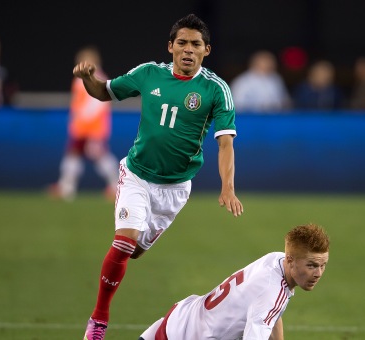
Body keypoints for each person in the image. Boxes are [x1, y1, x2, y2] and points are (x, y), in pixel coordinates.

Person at [74, 13, 244, 340]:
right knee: (124, 242)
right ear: (171, 46)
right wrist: (87, 79)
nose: (188, 50)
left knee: (133, 250)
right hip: (137, 174)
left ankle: (126, 254)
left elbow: (225, 143)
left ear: (207, 50)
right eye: (182, 43)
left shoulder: (215, 90)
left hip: (176, 189)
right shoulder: (148, 74)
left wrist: (228, 187)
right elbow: (103, 92)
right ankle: (98, 322)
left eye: (196, 44)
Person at [139, 223, 330, 340]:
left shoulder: (276, 259)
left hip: (179, 317)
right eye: (312, 265)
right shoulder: (271, 294)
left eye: (323, 265)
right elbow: (269, 309)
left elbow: (274, 311)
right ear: (291, 260)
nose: (318, 273)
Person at [49, 46, 119, 202]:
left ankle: (117, 187)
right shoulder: (79, 80)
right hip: (81, 128)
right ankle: (66, 187)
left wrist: (82, 118)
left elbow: (98, 104)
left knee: (100, 157)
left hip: (93, 129)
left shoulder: (98, 78)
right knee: (73, 155)